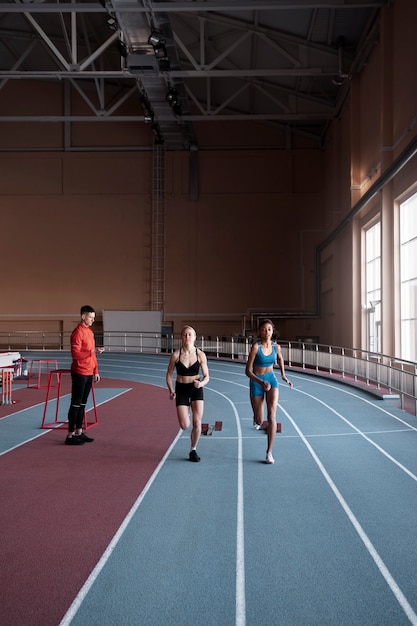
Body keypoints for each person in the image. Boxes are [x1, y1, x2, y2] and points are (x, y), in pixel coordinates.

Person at [245, 319, 293, 464]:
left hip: (271, 380)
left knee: (272, 416)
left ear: (273, 331)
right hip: (257, 381)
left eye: (269, 330)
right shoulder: (255, 347)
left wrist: (284, 376)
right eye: (264, 330)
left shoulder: (276, 347)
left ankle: (269, 452)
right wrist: (260, 382)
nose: (267, 332)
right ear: (259, 332)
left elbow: (280, 359)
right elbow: (247, 371)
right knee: (259, 420)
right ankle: (256, 418)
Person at [166, 325, 209, 462]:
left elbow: (207, 376)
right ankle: (186, 412)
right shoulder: (176, 355)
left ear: (195, 337)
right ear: (181, 337)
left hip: (196, 388)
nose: (187, 337)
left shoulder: (200, 354)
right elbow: (168, 374)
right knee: (185, 425)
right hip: (181, 389)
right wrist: (171, 390)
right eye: (185, 334)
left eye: (190, 334)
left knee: (197, 423)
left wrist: (201, 383)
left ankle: (193, 450)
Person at [65, 305, 104, 445]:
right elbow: (75, 354)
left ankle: (79, 432)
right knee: (75, 404)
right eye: (90, 317)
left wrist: (96, 371)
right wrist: (92, 352)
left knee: (82, 404)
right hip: (79, 372)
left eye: (94, 318)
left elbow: (93, 354)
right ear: (83, 316)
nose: (93, 320)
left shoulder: (90, 332)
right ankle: (69, 435)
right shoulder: (77, 333)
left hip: (89, 372)